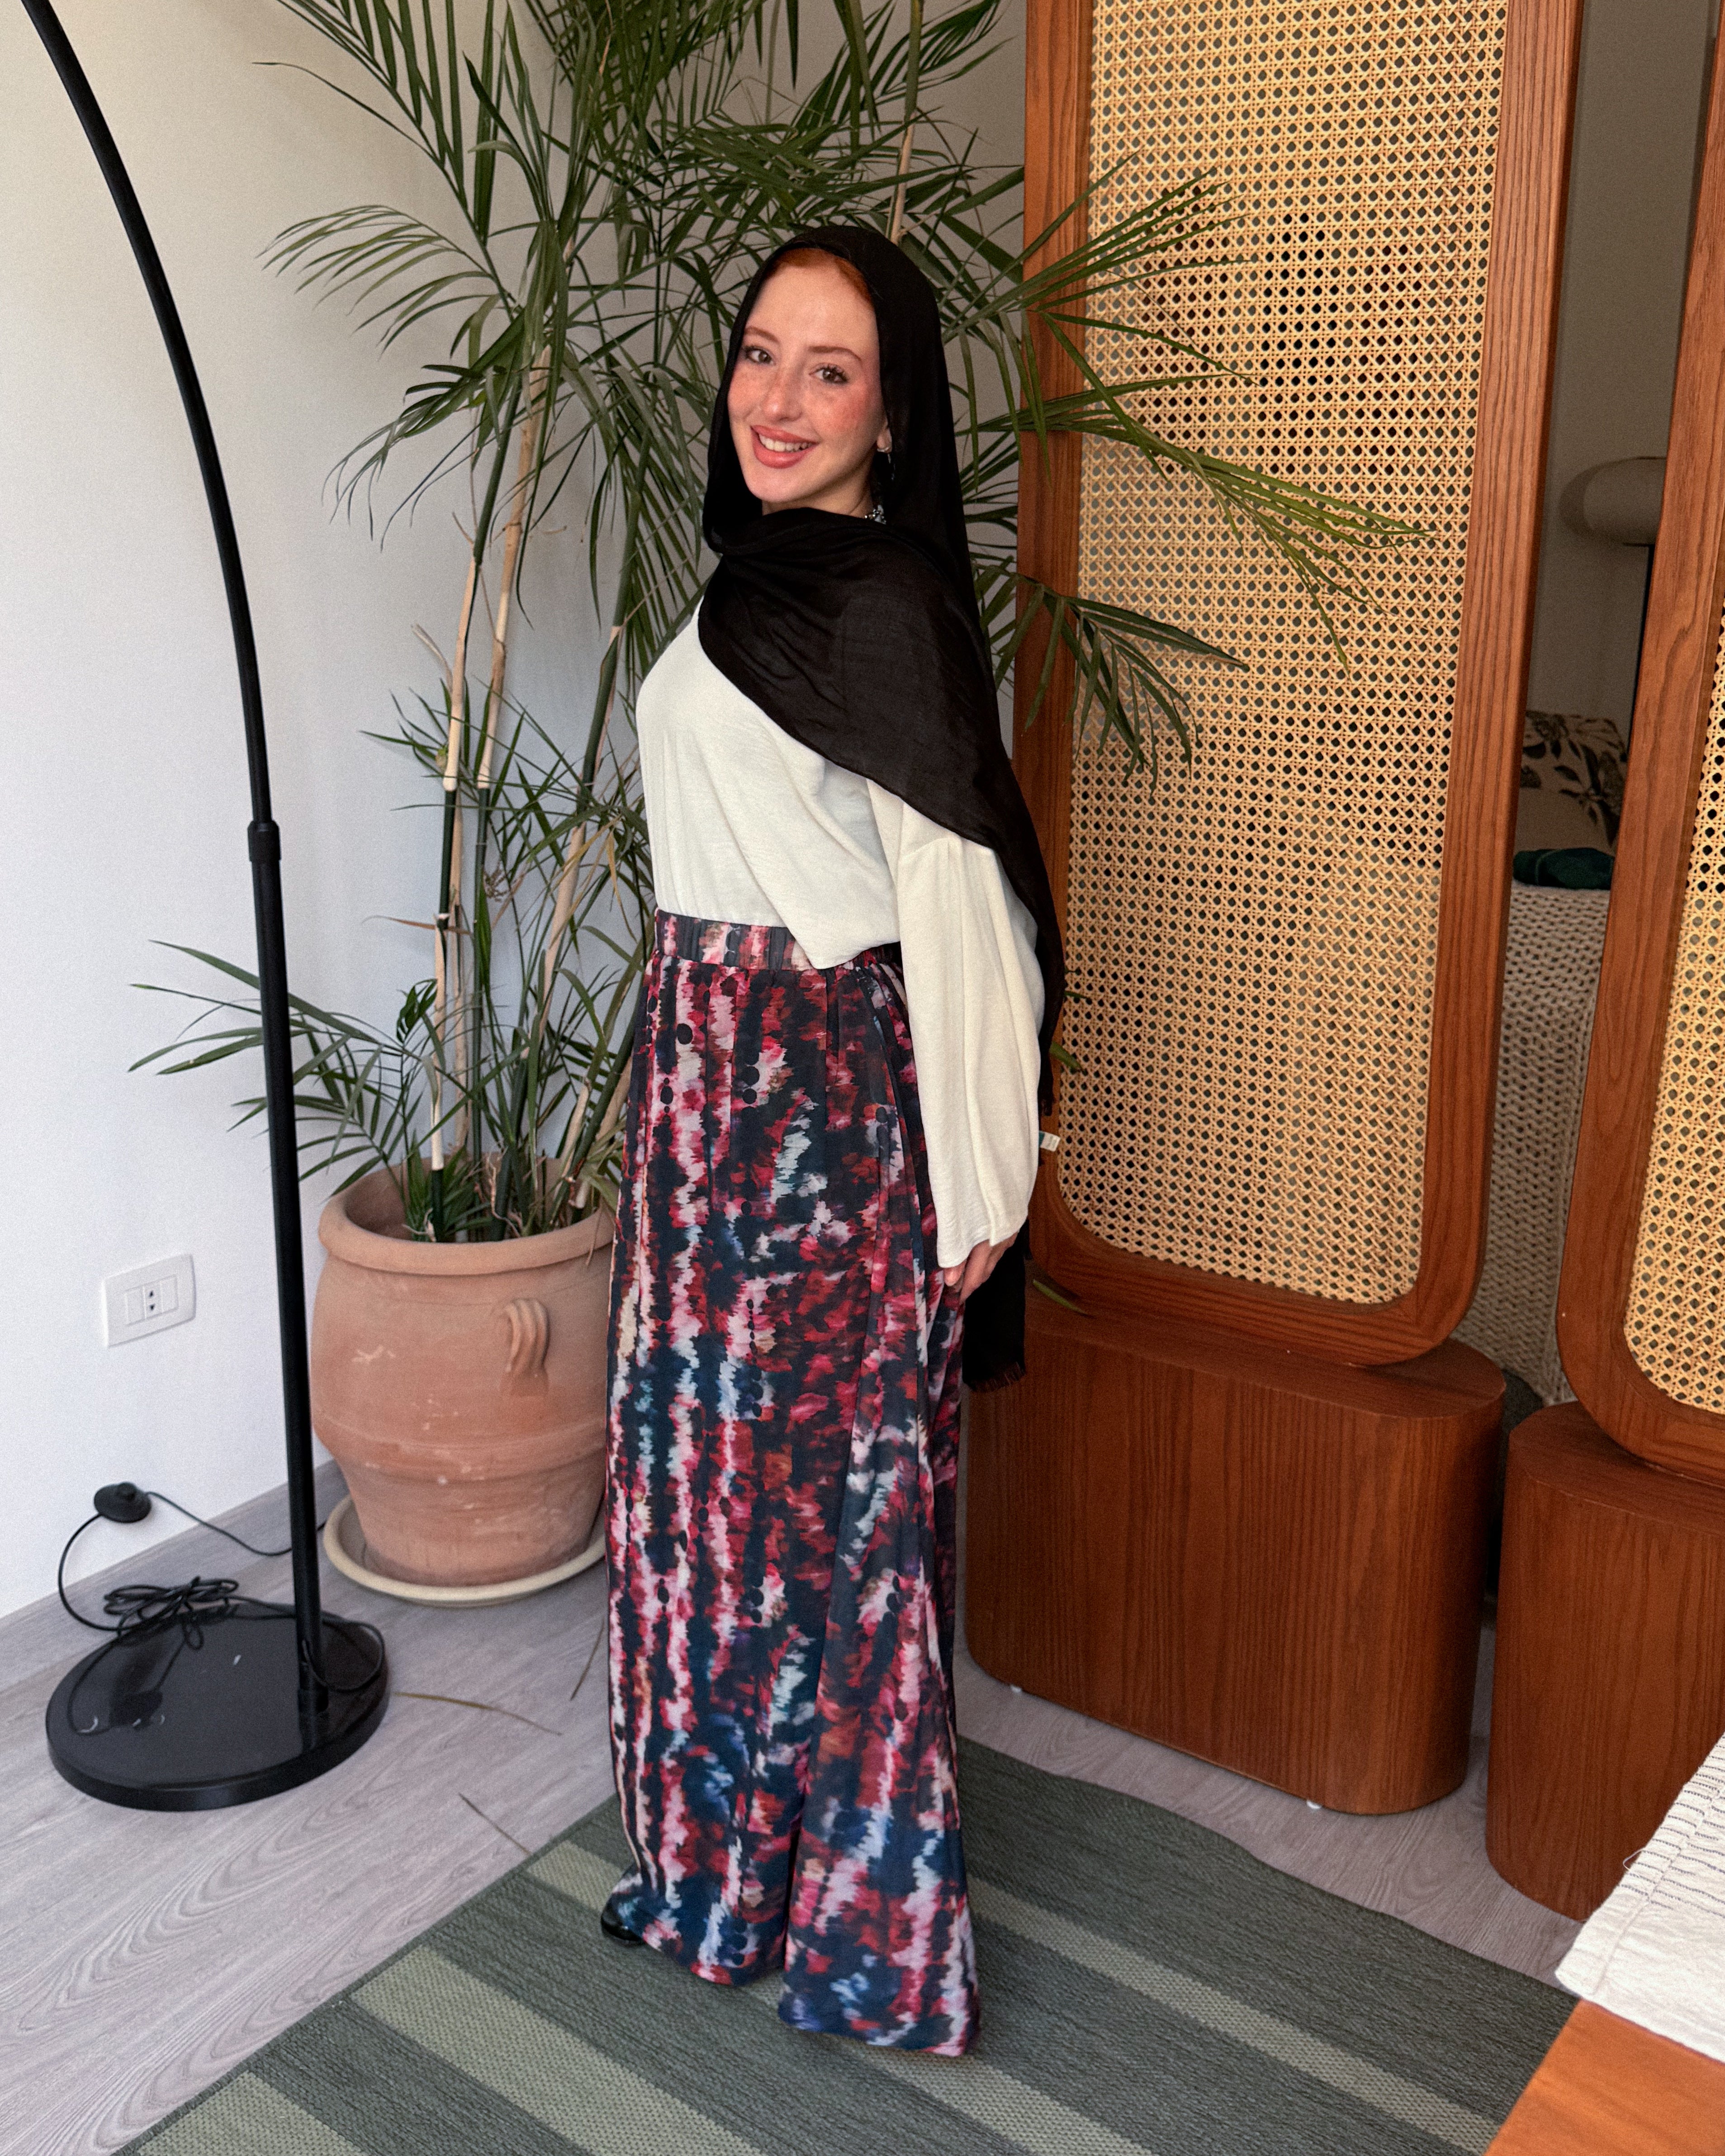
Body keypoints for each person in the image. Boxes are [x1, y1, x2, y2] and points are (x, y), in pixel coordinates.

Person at [601, 225, 1064, 2057]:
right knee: (704, 1507)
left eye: (832, 368)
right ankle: (723, 1880)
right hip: (700, 1092)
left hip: (818, 1109)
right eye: (760, 354)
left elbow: (961, 900)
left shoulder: (877, 606)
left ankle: (864, 1933)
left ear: (893, 411)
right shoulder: (750, 584)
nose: (779, 400)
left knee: (826, 1528)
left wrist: (986, 1172)